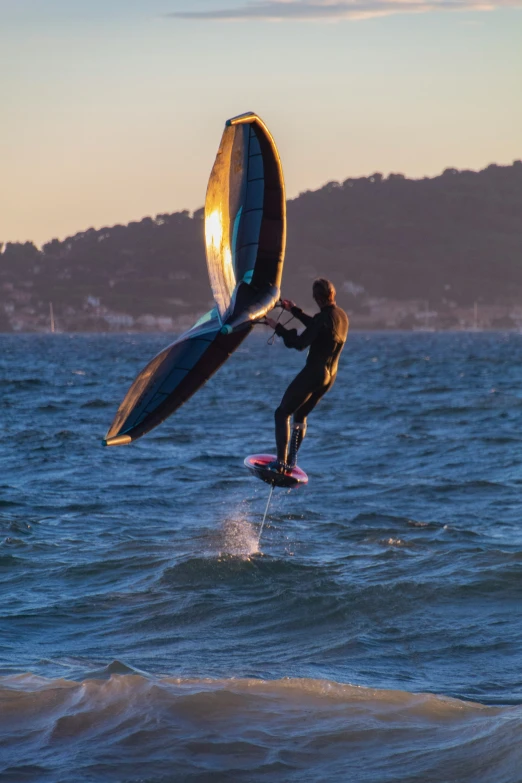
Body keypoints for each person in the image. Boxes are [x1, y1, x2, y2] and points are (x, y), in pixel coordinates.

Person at [264, 278, 349, 473]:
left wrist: (277, 327)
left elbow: (301, 343)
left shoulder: (323, 319)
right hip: (330, 376)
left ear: (317, 298)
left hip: (315, 372)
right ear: (332, 295)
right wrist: (294, 310)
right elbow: (317, 326)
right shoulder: (342, 316)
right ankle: (291, 461)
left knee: (282, 413)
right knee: (300, 415)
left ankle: (280, 463)